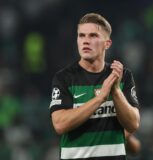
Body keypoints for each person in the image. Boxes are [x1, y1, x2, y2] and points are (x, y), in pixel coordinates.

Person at [49, 13, 140, 160]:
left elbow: (133, 124)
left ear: (107, 43)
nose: (86, 41)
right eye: (81, 36)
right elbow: (59, 124)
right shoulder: (64, 78)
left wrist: (116, 91)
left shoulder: (122, 76)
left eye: (93, 36)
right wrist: (100, 98)